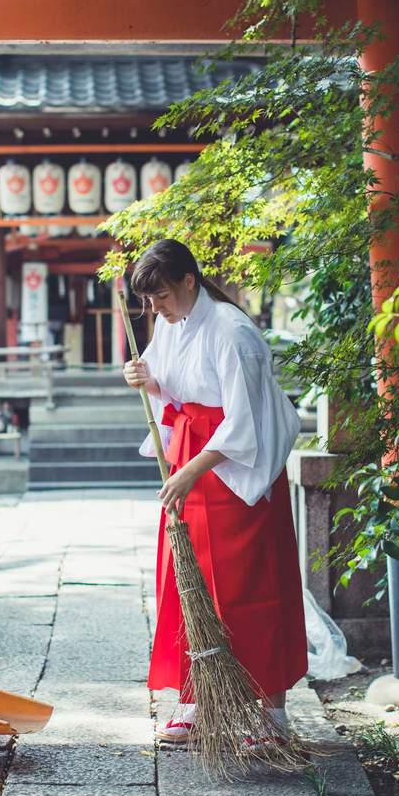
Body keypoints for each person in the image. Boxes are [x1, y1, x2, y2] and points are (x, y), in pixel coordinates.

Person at [122, 239, 305, 747]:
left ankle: (271, 715)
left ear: (188, 280)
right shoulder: (171, 322)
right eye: (147, 301)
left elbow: (244, 424)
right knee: (186, 582)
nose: (153, 309)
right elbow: (172, 389)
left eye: (159, 296)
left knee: (249, 586)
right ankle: (194, 697)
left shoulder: (233, 331)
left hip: (232, 471)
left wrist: (190, 472)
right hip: (189, 457)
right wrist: (145, 380)